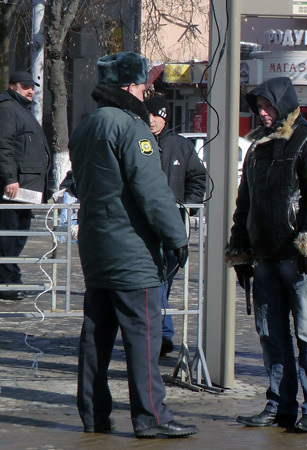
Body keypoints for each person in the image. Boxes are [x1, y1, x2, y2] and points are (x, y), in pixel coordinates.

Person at [68, 51, 197, 439]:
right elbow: (152, 190)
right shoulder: (131, 127)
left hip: (96, 246)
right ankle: (151, 417)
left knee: (96, 335)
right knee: (144, 335)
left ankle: (94, 414)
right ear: (128, 86)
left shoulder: (86, 126)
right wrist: (177, 237)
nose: (145, 94)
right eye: (143, 87)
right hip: (131, 250)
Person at [226, 76, 307, 433]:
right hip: (264, 257)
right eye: (258, 107)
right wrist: (239, 249)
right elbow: (245, 204)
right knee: (270, 335)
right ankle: (280, 404)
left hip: (297, 256)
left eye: (267, 106)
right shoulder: (257, 149)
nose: (262, 113)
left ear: (284, 103)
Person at [145, 95, 207, 356]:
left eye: (156, 115)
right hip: (145, 226)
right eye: (147, 115)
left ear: (165, 117)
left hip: (174, 225)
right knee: (155, 279)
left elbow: (198, 178)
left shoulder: (180, 146)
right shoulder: (136, 142)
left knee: (164, 280)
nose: (151, 121)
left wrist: (188, 205)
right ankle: (161, 333)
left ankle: (158, 331)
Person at [0, 71, 52, 301]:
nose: (30, 91)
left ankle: (10, 279)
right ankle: (8, 281)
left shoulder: (20, 109)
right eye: (25, 86)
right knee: (9, 236)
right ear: (13, 87)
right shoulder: (8, 109)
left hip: (26, 186)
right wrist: (10, 178)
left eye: (32, 87)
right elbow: (3, 146)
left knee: (18, 235)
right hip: (14, 186)